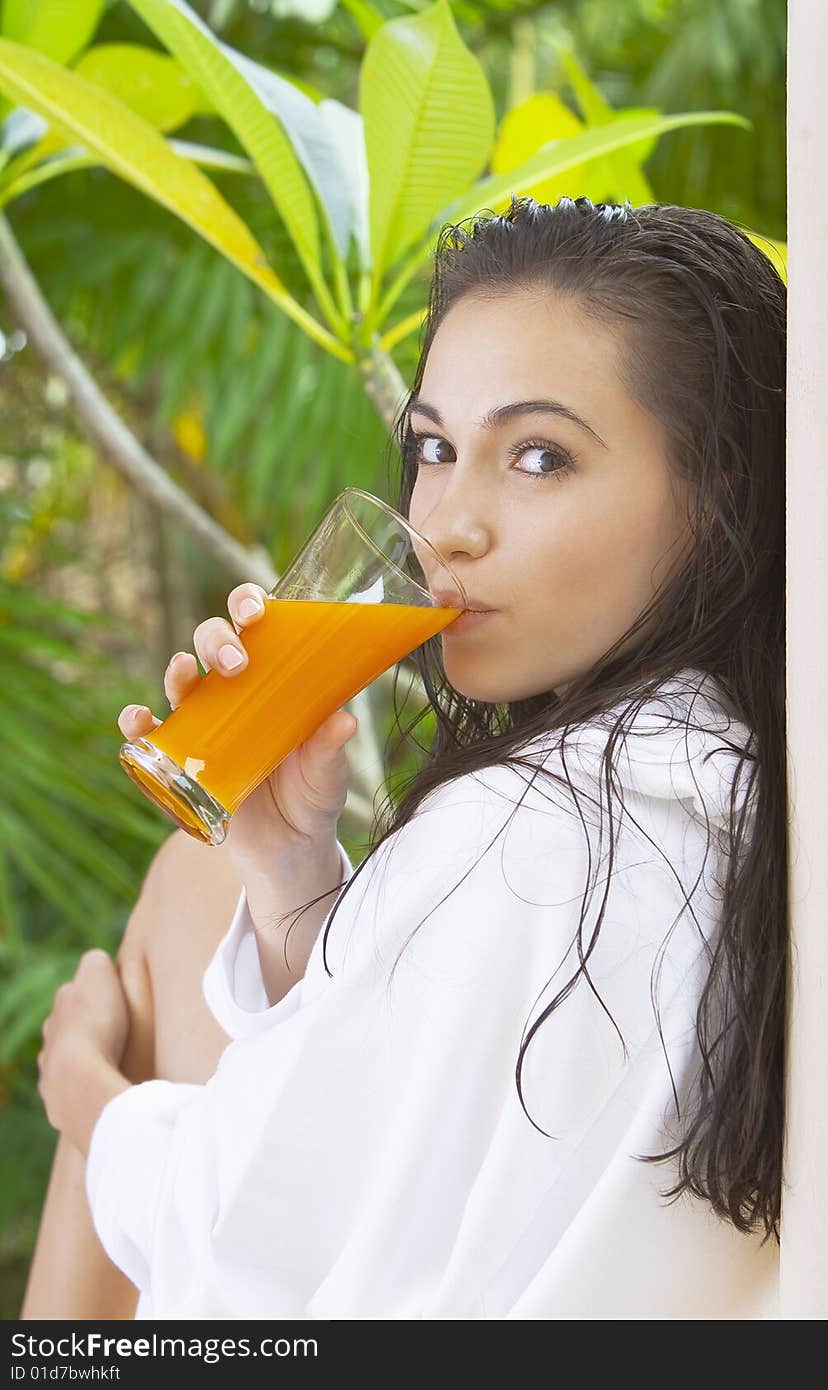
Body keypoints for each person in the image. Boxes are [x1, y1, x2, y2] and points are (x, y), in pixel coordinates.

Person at [29, 194, 786, 1319]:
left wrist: (86, 1095)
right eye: (434, 447)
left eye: (538, 456)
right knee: (198, 879)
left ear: (716, 493)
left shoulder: (527, 830)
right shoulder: (732, 772)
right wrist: (291, 872)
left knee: (142, 975)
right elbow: (406, 1126)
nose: (447, 526)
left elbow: (249, 1253)